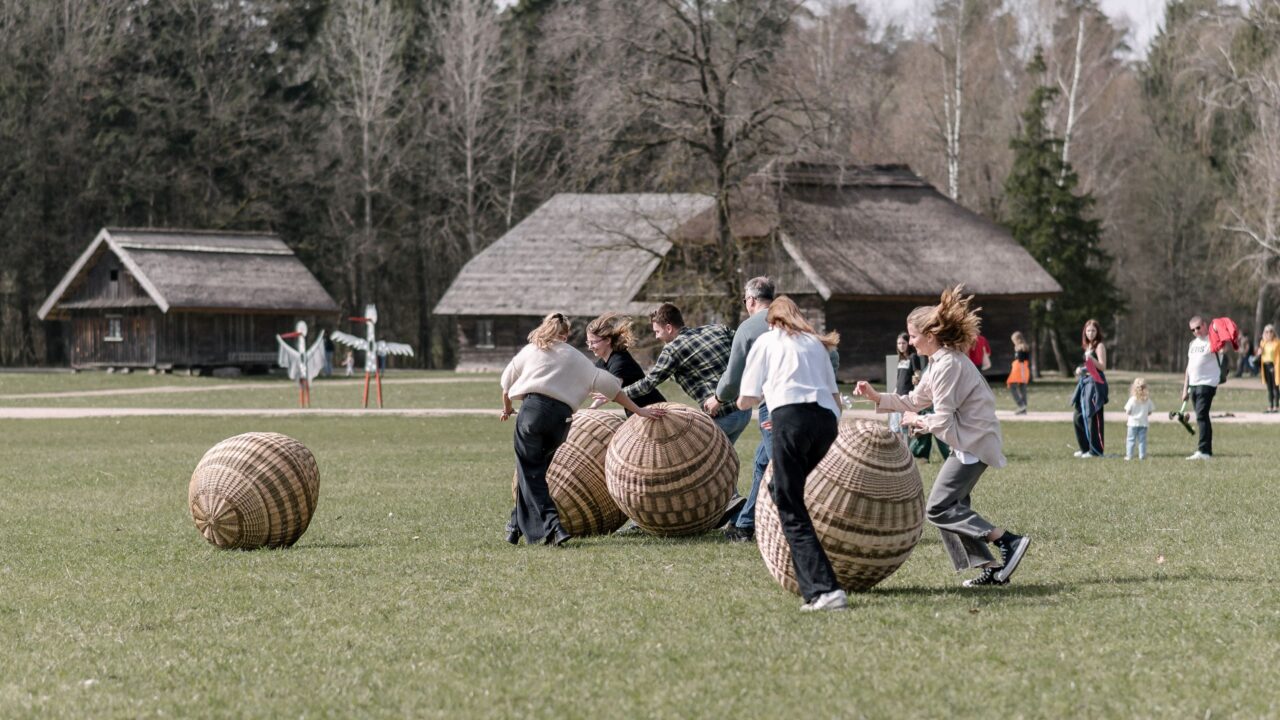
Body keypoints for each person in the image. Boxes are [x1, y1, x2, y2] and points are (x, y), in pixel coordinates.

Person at [854, 285, 1030, 588]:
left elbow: (942, 416)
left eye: (913, 336)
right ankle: (989, 567)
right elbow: (913, 401)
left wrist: (917, 421)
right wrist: (876, 397)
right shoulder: (939, 362)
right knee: (955, 509)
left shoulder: (948, 364)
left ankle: (1008, 541)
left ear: (930, 335)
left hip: (973, 445)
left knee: (938, 508)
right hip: (966, 442)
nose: (909, 341)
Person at [500, 313, 666, 547]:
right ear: (565, 335)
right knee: (534, 474)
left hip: (532, 414)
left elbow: (506, 383)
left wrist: (507, 409)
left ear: (543, 329)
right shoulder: (577, 358)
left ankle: (553, 527)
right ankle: (514, 527)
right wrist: (639, 410)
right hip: (560, 421)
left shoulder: (531, 350)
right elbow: (610, 387)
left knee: (530, 473)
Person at [735, 296, 846, 612]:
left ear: (771, 321)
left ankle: (825, 590)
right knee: (781, 489)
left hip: (792, 421)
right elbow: (835, 398)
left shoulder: (767, 341)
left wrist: (755, 404)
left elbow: (747, 397)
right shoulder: (816, 343)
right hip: (825, 424)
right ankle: (820, 578)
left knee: (789, 502)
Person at [623, 302, 752, 523]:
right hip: (744, 410)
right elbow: (744, 353)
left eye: (657, 331)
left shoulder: (673, 349)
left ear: (669, 328)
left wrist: (617, 393)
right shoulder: (717, 329)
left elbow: (648, 384)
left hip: (722, 415)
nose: (656, 337)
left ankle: (728, 505)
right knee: (719, 462)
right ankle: (732, 513)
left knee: (688, 461)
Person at [584, 312, 665, 415]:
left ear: (608, 340)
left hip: (654, 409)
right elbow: (603, 393)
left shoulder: (620, 361)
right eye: (588, 342)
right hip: (639, 412)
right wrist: (592, 407)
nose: (590, 347)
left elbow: (614, 391)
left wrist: (597, 403)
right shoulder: (602, 363)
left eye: (594, 342)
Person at [1182, 315, 1222, 460]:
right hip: (1193, 384)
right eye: (1193, 329)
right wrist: (1185, 388)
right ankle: (1206, 450)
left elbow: (1224, 350)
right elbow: (1189, 367)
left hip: (1207, 383)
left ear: (1205, 325)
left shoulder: (1212, 340)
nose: (1196, 331)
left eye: (1198, 327)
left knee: (1201, 415)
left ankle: (1203, 451)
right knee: (1202, 417)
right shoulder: (1192, 344)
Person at [1071, 319, 1109, 458]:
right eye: (1088, 331)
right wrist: (1080, 369)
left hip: (1096, 384)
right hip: (1086, 383)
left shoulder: (1099, 346)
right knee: (1078, 415)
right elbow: (1089, 367)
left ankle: (1096, 451)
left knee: (1094, 416)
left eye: (1093, 330)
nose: (1091, 333)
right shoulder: (1087, 347)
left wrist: (1091, 360)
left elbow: (1102, 366)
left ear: (1097, 332)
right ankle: (1085, 448)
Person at [888, 332, 922, 443]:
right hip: (897, 395)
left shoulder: (913, 357)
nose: (901, 345)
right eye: (899, 343)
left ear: (908, 343)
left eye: (903, 343)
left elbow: (918, 374)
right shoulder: (901, 359)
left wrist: (916, 385)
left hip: (907, 396)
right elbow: (899, 379)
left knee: (905, 427)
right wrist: (894, 392)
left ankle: (908, 451)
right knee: (895, 426)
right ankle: (899, 452)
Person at [1124, 378, 1154, 461]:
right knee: (1142, 441)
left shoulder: (1132, 400)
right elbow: (1150, 412)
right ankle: (1142, 455)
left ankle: (1129, 456)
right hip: (1143, 424)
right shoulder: (1147, 400)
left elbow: (1127, 411)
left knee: (1130, 440)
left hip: (1132, 424)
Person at [1256, 324, 1279, 413]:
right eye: (1266, 331)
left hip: (1274, 365)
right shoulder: (1263, 342)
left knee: (1275, 386)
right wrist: (1259, 352)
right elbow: (1259, 355)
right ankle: (1270, 406)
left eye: (1270, 331)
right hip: (1265, 366)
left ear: (1273, 333)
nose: (1269, 333)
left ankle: (1276, 406)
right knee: (1269, 387)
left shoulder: (1277, 342)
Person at [1007, 331, 1031, 414]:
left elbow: (1021, 362)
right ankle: (1023, 408)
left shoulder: (1020, 348)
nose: (1013, 342)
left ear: (1017, 339)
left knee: (1011, 385)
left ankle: (1021, 405)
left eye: (1013, 340)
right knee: (1022, 387)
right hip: (1023, 369)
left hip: (1020, 369)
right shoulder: (1024, 347)